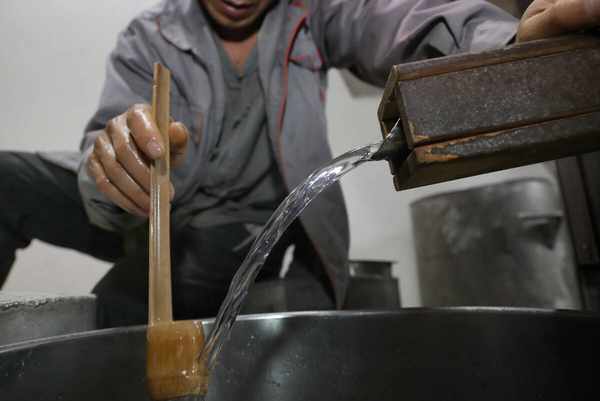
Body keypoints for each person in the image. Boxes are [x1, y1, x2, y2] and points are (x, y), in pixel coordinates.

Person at [1, 0, 598, 326]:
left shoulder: (316, 15)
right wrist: (115, 164)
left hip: (235, 228)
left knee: (147, 295)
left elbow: (404, 19)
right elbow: (108, 144)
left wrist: (510, 48)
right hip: (144, 211)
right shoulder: (148, 35)